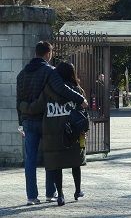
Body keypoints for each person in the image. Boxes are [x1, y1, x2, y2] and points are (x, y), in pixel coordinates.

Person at [16, 41, 87, 206]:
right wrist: (80, 98)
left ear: (36, 53)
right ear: (48, 54)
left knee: (30, 159)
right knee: (50, 155)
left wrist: (21, 122)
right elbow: (61, 89)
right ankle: (50, 193)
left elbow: (18, 100)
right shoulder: (49, 71)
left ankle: (31, 197)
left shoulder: (22, 74)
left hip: (27, 119)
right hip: (45, 120)